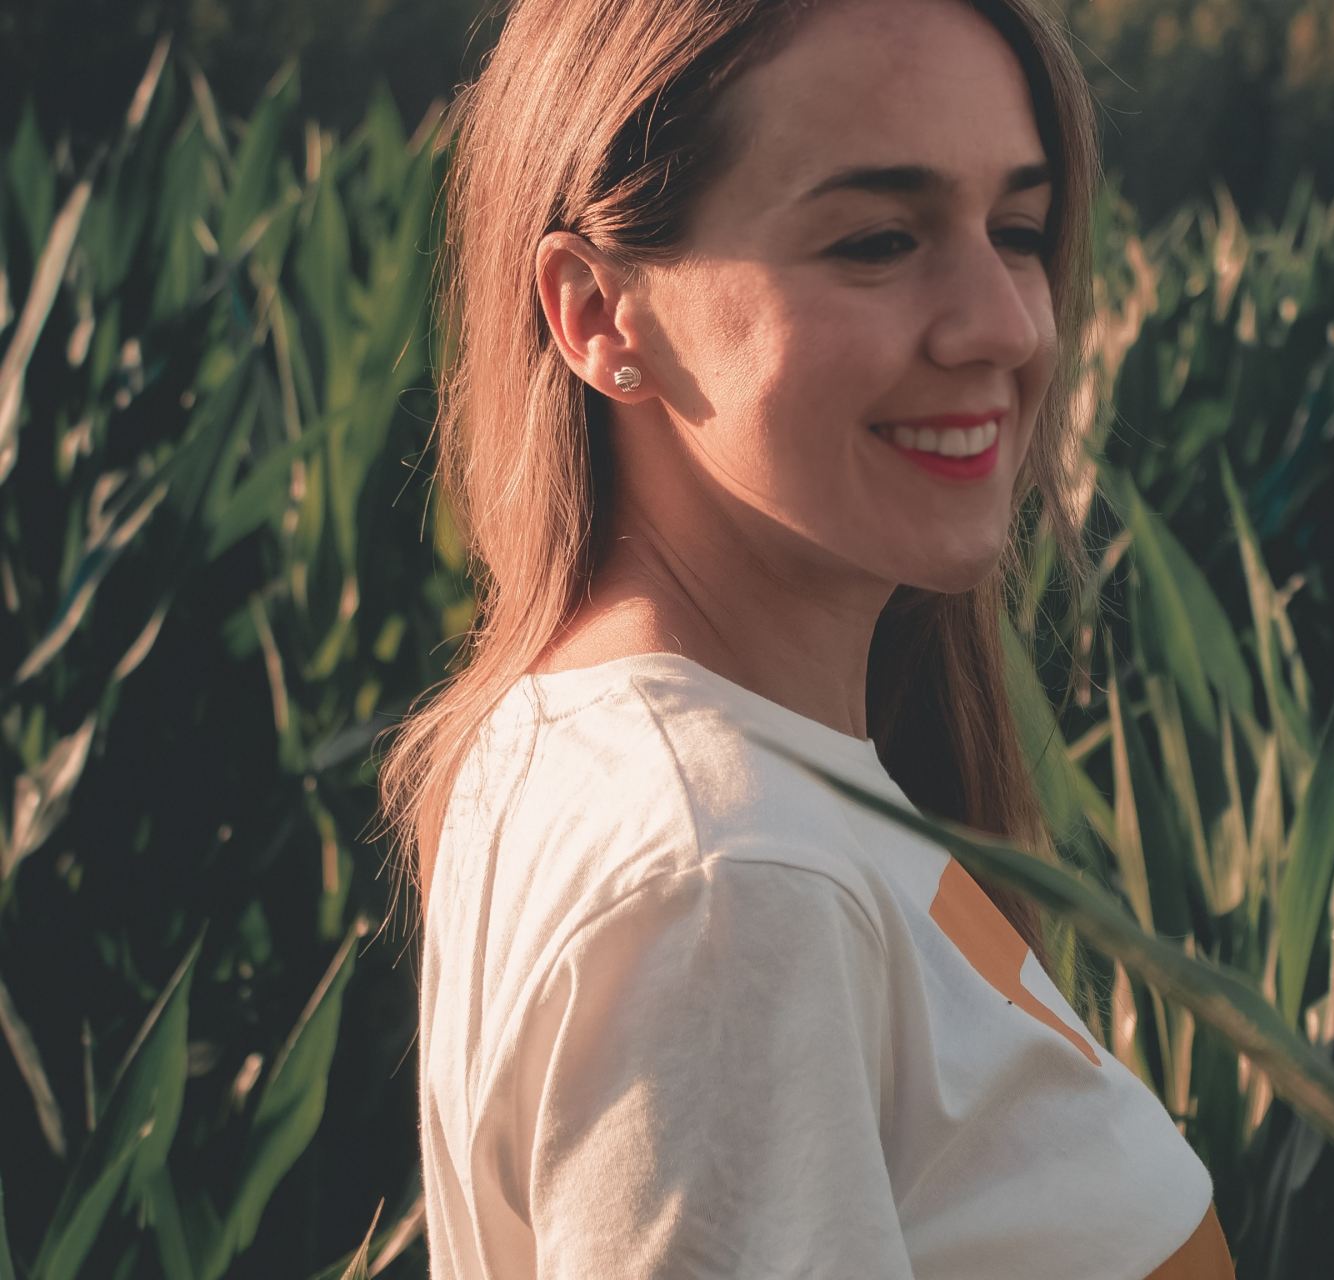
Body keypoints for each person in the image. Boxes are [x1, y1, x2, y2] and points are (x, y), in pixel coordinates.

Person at [381, 0, 1236, 1273]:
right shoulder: (728, 877)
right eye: (878, 241)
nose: (1004, 324)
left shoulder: (622, 747)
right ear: (598, 313)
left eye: (1019, 229)